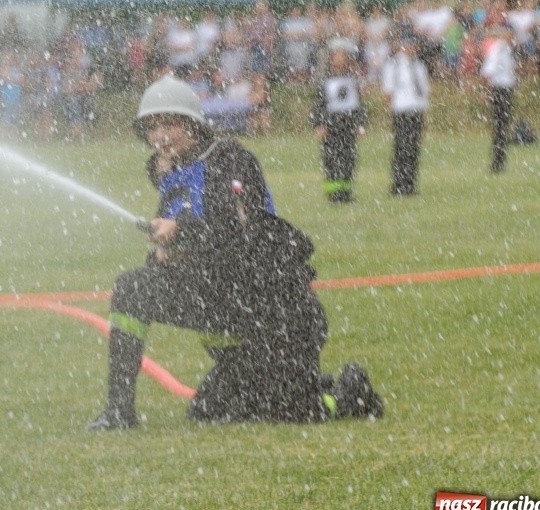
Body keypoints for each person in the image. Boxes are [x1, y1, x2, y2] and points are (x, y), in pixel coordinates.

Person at [87, 75, 383, 430]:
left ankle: (350, 393)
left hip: (279, 314)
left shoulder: (230, 159)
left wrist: (180, 231)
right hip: (230, 309)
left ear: (192, 124)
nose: (160, 136)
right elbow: (194, 248)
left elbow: (233, 228)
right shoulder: (171, 177)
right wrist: (165, 256)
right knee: (135, 292)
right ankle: (119, 411)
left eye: (169, 124)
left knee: (292, 413)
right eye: (152, 128)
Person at [311, 41, 364, 203]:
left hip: (348, 124)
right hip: (331, 125)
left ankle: (346, 192)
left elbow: (358, 104)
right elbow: (318, 104)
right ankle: (333, 193)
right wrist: (319, 124)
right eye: (336, 56)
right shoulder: (325, 80)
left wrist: (360, 123)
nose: (339, 59)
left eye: (342, 56)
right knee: (331, 159)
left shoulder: (351, 79)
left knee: (349, 159)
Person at [381, 28, 430, 196]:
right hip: (401, 110)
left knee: (413, 147)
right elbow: (388, 90)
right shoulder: (393, 65)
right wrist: (391, 107)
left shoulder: (419, 65)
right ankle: (398, 183)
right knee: (401, 147)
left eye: (413, 45)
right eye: (407, 45)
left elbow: (424, 89)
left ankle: (410, 183)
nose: (410, 49)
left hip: (416, 109)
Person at [480, 23, 517, 173]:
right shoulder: (498, 49)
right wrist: (486, 91)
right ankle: (497, 162)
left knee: (503, 127)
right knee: (500, 127)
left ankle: (499, 160)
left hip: (506, 90)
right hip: (500, 90)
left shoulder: (507, 48)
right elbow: (487, 72)